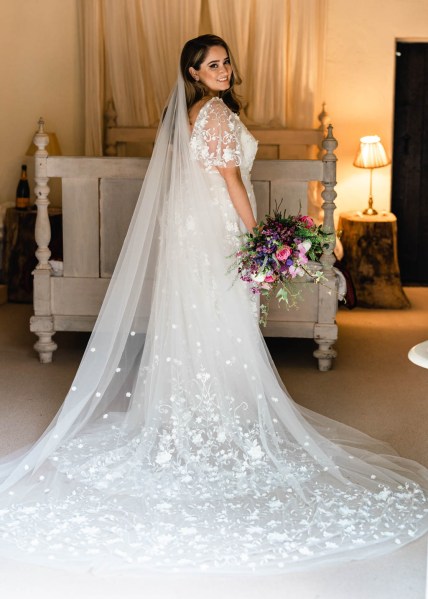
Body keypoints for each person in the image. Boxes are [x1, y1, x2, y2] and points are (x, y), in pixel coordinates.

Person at [0, 34, 427, 574]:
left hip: (190, 233)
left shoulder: (186, 114)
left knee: (197, 319)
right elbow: (230, 180)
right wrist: (261, 240)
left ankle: (188, 414)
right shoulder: (217, 114)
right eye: (213, 64)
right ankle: (214, 416)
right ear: (194, 72)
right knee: (224, 319)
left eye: (227, 62)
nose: (224, 70)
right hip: (219, 231)